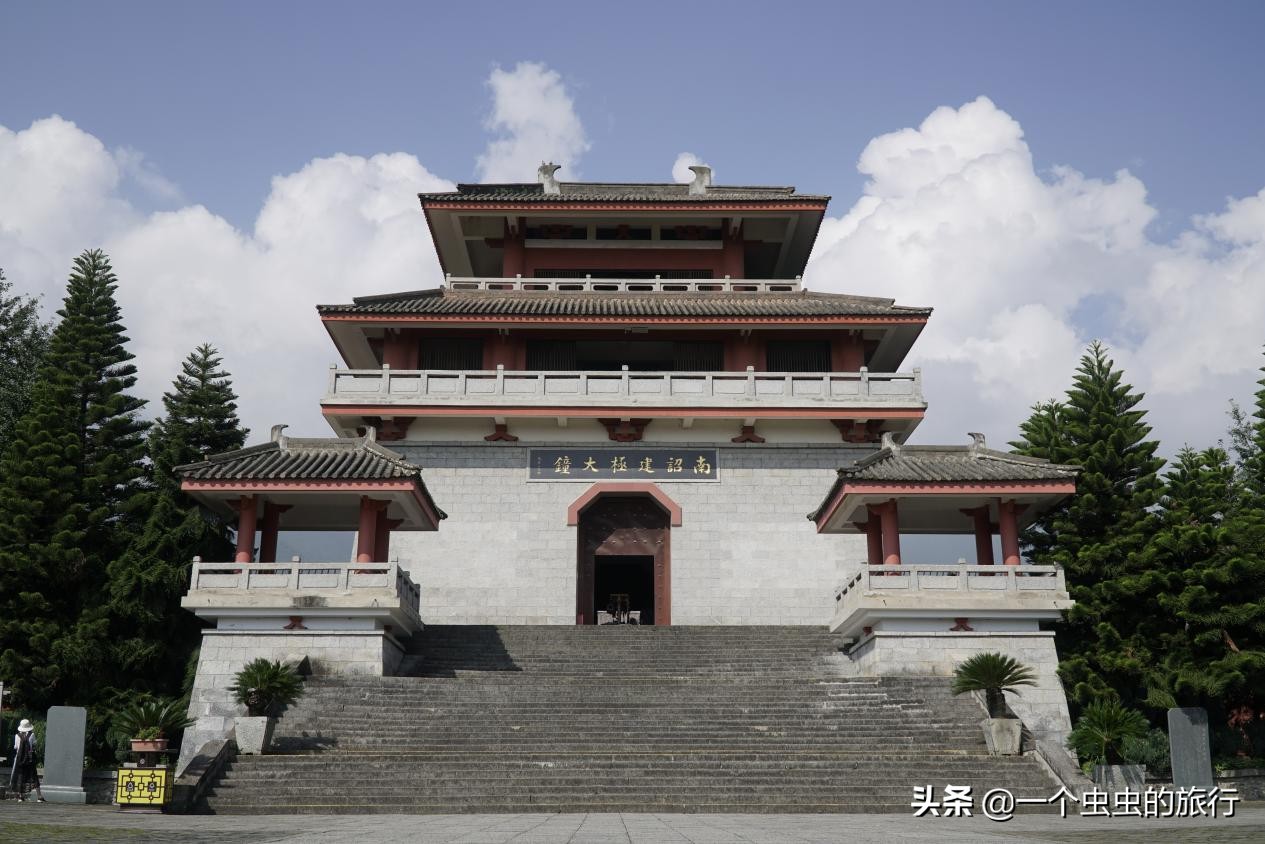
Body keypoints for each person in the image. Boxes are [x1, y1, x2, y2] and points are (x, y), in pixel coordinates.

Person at [12, 719, 45, 802]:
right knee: (34, 776)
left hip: (20, 760)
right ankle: (39, 796)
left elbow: (16, 747)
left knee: (20, 776)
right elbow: (34, 745)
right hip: (30, 759)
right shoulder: (32, 734)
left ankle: (21, 797)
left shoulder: (17, 736)